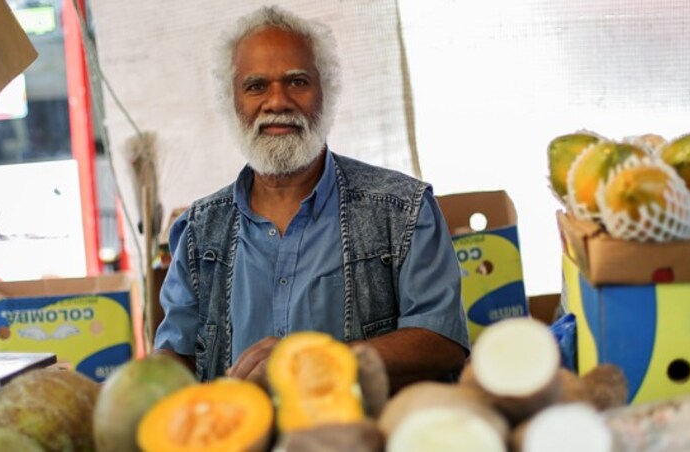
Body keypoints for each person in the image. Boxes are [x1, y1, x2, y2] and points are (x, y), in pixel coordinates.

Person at [154, 5, 469, 393]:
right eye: (256, 86)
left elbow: (442, 342)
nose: (277, 102)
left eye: (297, 82)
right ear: (231, 101)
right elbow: (176, 356)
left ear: (327, 92)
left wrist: (310, 363)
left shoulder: (403, 209)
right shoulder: (199, 231)